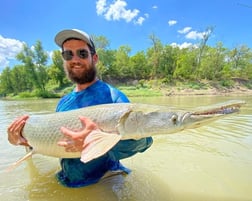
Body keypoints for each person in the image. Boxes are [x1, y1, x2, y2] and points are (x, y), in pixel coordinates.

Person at [7, 29, 153, 188]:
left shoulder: (114, 99)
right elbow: (49, 140)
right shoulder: (63, 102)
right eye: (68, 55)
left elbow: (143, 142)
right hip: (68, 180)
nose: (75, 59)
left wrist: (94, 142)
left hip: (105, 181)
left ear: (94, 58)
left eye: (82, 53)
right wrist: (18, 139)